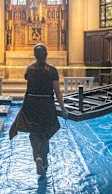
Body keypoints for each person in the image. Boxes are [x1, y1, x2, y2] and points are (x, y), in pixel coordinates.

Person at [9, 43, 68, 178]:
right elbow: (57, 92)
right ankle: (44, 160)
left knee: (34, 132)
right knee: (45, 131)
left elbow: (29, 86)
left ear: (34, 55)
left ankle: (37, 157)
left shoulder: (29, 69)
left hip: (31, 103)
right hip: (46, 103)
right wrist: (63, 108)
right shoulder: (52, 70)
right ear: (46, 54)